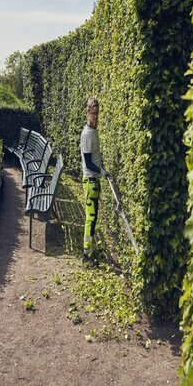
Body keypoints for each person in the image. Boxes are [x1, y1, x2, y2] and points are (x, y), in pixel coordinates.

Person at [80, 97, 108, 262]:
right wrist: (101, 171)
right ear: (87, 113)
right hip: (90, 180)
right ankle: (87, 253)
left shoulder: (93, 130)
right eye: (92, 113)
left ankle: (90, 249)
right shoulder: (87, 134)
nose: (95, 116)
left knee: (94, 216)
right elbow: (88, 162)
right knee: (91, 217)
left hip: (94, 180)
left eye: (97, 113)